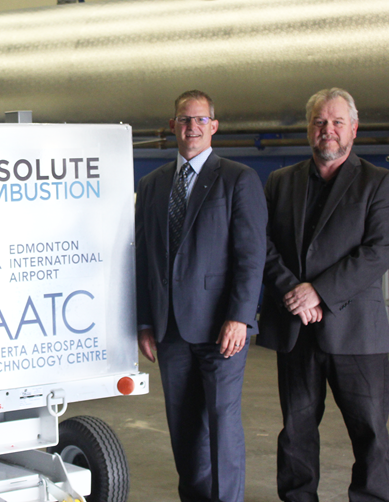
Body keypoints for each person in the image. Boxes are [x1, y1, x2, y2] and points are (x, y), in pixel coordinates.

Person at [259, 87, 389, 502]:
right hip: (296, 329)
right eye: (320, 122)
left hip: (355, 332)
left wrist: (318, 293)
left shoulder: (378, 182)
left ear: (354, 128)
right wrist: (292, 291)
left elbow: (379, 251)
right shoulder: (280, 182)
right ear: (309, 128)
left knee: (369, 430)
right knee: (296, 430)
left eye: (338, 122)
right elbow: (261, 244)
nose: (328, 130)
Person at [136, 90, 267, 502]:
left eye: (199, 119)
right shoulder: (152, 185)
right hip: (170, 329)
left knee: (222, 424)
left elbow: (251, 256)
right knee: (184, 427)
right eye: (183, 119)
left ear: (214, 126)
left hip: (221, 328)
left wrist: (240, 317)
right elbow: (142, 257)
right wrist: (144, 321)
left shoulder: (237, 179)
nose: (191, 127)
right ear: (172, 126)